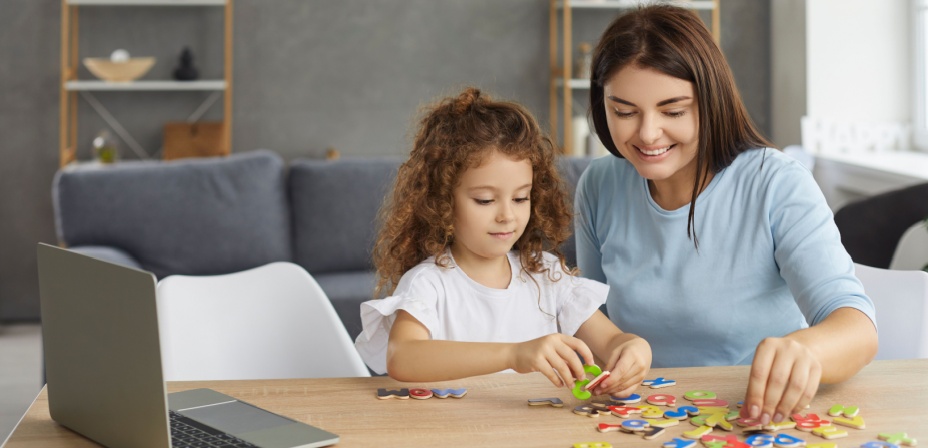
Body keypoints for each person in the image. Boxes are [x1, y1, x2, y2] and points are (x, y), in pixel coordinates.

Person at [575, 5, 877, 426]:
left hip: (748, 418)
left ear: (711, 101)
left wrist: (806, 352)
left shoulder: (776, 182)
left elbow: (856, 325)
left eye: (674, 111)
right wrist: (612, 354)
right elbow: (590, 316)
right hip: (640, 418)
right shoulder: (598, 185)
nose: (646, 133)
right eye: (624, 112)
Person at [354, 87, 651, 397]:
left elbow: (612, 341)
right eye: (484, 200)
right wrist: (514, 354)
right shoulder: (429, 284)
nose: (507, 215)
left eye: (521, 197)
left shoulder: (546, 276)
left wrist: (633, 348)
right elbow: (402, 359)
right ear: (442, 202)